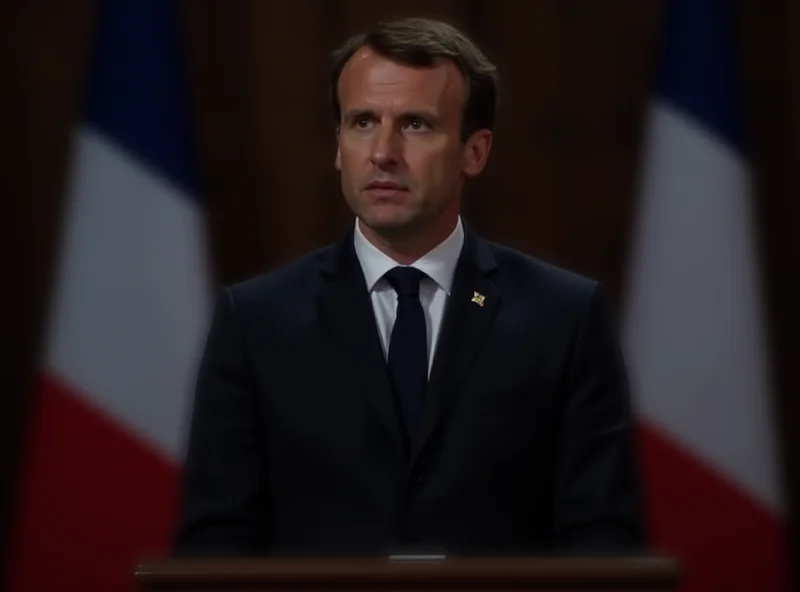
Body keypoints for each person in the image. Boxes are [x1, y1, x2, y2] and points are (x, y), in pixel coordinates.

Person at [173, 17, 647, 557]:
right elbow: (215, 549)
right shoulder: (256, 321)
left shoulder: (564, 318)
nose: (383, 152)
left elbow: (603, 545)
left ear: (475, 151)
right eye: (363, 122)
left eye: (416, 124)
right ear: (338, 146)